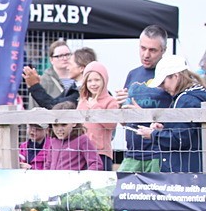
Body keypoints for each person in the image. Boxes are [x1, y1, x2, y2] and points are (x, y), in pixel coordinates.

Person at [114, 25, 172, 172]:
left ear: (163, 51)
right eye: (143, 48)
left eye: (152, 50)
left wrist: (143, 115)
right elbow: (124, 120)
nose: (146, 54)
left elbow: (180, 120)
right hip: (132, 153)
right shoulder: (133, 74)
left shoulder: (171, 76)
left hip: (159, 155)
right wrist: (120, 105)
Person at [149, 55, 206, 173]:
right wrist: (165, 129)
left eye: (163, 82)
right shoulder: (198, 94)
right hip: (197, 167)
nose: (162, 87)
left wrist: (153, 134)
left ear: (176, 76)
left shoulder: (185, 100)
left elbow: (180, 139)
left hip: (184, 172)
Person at [30, 102, 103, 171]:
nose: (59, 129)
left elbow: (96, 164)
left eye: (64, 125)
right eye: (55, 125)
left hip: (73, 183)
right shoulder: (53, 140)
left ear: (74, 123)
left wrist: (82, 178)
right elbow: (48, 164)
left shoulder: (82, 140)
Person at [77, 61, 119, 170]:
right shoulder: (82, 101)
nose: (93, 84)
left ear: (104, 80)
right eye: (89, 80)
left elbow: (111, 125)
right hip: (81, 152)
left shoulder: (111, 101)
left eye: (97, 80)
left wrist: (96, 107)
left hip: (101, 153)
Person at [23, 42, 86, 109]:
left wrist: (34, 86)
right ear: (51, 59)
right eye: (60, 56)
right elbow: (51, 105)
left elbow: (53, 104)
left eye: (67, 54)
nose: (65, 58)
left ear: (81, 68)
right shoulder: (44, 80)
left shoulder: (79, 84)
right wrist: (35, 86)